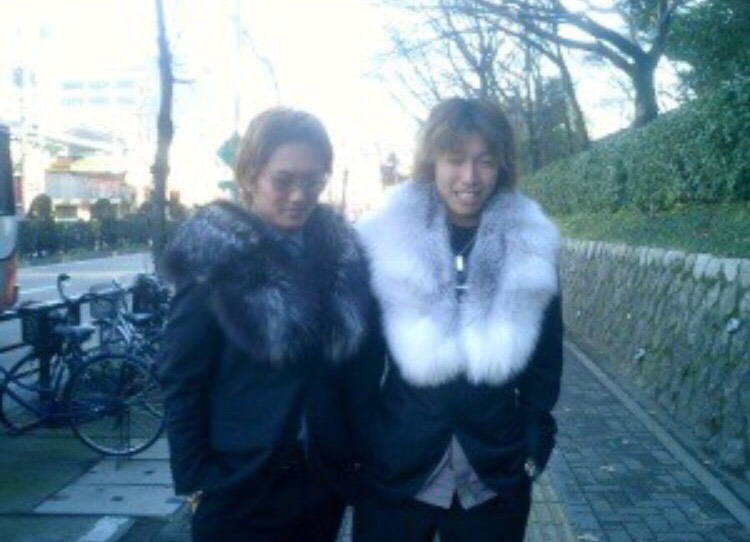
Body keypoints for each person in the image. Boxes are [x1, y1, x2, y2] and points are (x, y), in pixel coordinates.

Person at [352, 97, 563, 542]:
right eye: (455, 159)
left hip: (493, 470)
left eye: (485, 161)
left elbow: (546, 356)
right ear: (432, 161)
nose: (470, 177)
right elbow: (361, 362)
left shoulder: (530, 243)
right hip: (397, 465)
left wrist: (535, 438)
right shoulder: (388, 240)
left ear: (502, 165)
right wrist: (360, 443)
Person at [157, 107, 371, 542]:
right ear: (249, 177)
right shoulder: (214, 260)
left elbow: (355, 372)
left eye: (313, 181)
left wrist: (351, 458)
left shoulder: (341, 260)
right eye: (283, 180)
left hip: (321, 483)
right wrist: (196, 482)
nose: (299, 195)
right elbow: (181, 377)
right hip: (238, 486)